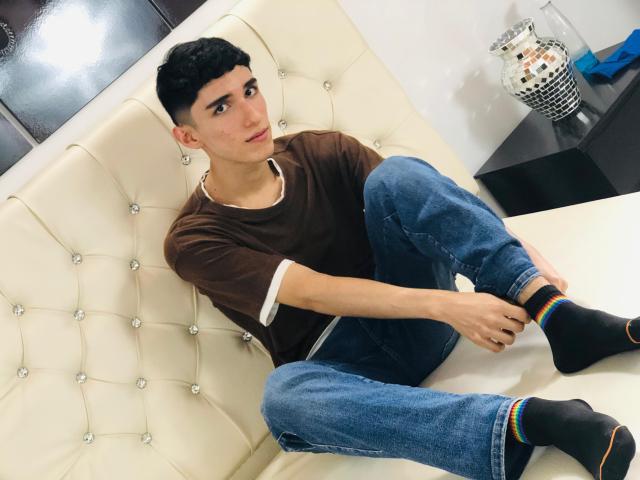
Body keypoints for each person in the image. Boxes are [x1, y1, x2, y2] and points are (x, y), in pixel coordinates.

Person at [156, 37, 638, 480]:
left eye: (250, 89)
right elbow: (314, 292)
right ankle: (523, 425)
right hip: (350, 368)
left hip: (419, 319)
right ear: (190, 137)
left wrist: (528, 268)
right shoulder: (194, 240)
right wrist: (448, 305)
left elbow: (426, 195)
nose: (252, 115)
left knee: (397, 174)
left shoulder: (321, 151)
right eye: (222, 107)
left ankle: (566, 323)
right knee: (284, 397)